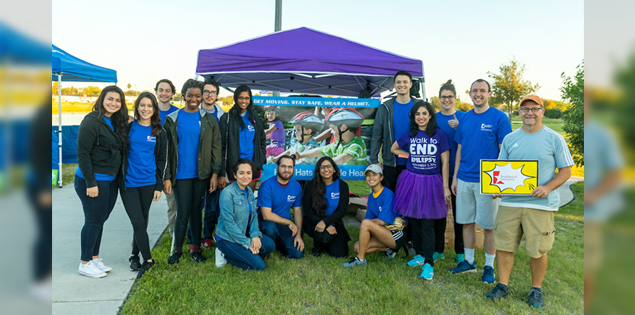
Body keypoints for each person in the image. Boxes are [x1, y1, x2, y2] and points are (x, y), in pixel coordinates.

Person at [485, 95, 573, 308]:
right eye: (525, 109)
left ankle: (536, 289)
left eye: (534, 108)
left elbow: (566, 170)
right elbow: (501, 171)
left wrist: (547, 187)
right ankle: (502, 285)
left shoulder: (554, 138)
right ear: (519, 113)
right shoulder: (510, 139)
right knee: (504, 246)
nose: (529, 113)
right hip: (510, 204)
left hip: (540, 204)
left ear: (542, 111)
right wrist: (497, 189)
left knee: (538, 249)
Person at [449, 79, 512, 284]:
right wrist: (455, 177)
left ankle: (489, 265)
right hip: (465, 178)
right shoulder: (465, 118)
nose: (478, 94)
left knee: (488, 225)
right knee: (466, 222)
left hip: (488, 179)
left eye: (482, 91)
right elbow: (459, 148)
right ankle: (468, 261)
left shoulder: (499, 118)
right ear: (469, 94)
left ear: (489, 94)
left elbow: (505, 150)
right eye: (475, 91)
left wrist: (500, 183)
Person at [163, 79, 221, 264]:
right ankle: (177, 250)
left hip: (201, 174)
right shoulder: (172, 119)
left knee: (197, 210)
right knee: (183, 211)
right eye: (190, 96)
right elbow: (166, 152)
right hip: (180, 175)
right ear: (183, 96)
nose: (194, 99)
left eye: (198, 95)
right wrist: (168, 177)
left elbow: (216, 149)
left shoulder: (209, 120)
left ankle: (195, 250)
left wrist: (214, 174)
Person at [390, 101, 450, 280]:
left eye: (424, 113)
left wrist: (445, 186)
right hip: (412, 181)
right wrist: (408, 155)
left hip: (432, 182)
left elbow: (445, 162)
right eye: (417, 114)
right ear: (413, 117)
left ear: (430, 115)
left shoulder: (439, 134)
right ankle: (421, 254)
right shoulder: (410, 133)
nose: (421, 117)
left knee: (427, 223)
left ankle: (429, 263)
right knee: (414, 220)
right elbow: (394, 148)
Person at [74, 86, 129, 278]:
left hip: (110, 181)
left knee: (100, 220)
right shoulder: (91, 122)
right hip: (92, 181)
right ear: (102, 99)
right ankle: (84, 262)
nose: (114, 103)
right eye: (110, 99)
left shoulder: (115, 121)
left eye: (118, 100)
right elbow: (82, 153)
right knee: (92, 220)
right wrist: (90, 182)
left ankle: (94, 257)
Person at [119, 92, 167, 278]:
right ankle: (148, 260)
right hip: (129, 183)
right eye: (142, 105)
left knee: (142, 221)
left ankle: (134, 256)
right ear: (137, 107)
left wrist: (158, 186)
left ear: (154, 109)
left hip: (148, 183)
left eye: (149, 106)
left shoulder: (159, 132)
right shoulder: (128, 128)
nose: (146, 109)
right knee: (137, 221)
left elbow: (162, 160)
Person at [187, 78, 226, 250]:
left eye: (213, 92)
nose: (209, 95)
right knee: (193, 206)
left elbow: (224, 147)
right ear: (201, 94)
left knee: (211, 207)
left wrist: (220, 172)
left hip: (214, 169)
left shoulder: (223, 116)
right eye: (206, 92)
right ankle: (192, 239)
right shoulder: (191, 112)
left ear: (217, 95)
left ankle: (207, 236)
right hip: (193, 168)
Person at [370, 71, 425, 192]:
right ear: (394, 85)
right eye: (398, 82)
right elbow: (376, 136)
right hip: (391, 163)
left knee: (412, 200)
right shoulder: (385, 108)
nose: (402, 85)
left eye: (405, 82)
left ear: (411, 84)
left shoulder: (421, 106)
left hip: (415, 161)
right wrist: (375, 161)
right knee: (391, 199)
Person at [216, 159, 275, 270]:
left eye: (248, 173)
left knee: (270, 245)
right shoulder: (227, 193)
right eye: (241, 173)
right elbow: (229, 224)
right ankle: (225, 255)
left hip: (244, 232)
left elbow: (253, 217)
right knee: (259, 266)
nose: (245, 176)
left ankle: (246, 253)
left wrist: (255, 236)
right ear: (235, 175)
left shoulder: (249, 191)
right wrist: (248, 243)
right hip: (227, 238)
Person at [343, 164, 406, 268]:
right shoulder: (371, 197)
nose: (371, 177)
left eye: (374, 174)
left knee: (366, 224)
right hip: (381, 232)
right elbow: (369, 220)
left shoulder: (388, 194)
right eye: (368, 175)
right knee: (357, 247)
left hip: (395, 234)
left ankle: (360, 260)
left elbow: (382, 221)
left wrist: (367, 225)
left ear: (381, 177)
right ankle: (388, 249)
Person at [434, 80, 466, 264]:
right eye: (443, 97)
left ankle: (460, 252)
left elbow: (470, 141)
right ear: (439, 98)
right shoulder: (434, 118)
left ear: (455, 98)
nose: (447, 100)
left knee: (459, 213)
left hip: (459, 172)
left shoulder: (464, 117)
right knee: (439, 213)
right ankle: (438, 250)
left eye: (450, 97)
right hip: (438, 172)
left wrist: (459, 126)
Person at [219, 85, 266, 191]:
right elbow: (221, 147)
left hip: (252, 167)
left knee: (248, 201)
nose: (244, 101)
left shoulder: (254, 118)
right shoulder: (226, 119)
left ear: (250, 99)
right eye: (241, 97)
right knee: (233, 203)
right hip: (233, 168)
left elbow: (262, 141)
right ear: (235, 98)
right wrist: (221, 173)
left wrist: (260, 159)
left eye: (247, 98)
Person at [257, 156, 304, 259]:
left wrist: (298, 235)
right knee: (270, 229)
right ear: (277, 168)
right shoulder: (266, 185)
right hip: (266, 223)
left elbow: (297, 212)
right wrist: (289, 223)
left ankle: (278, 244)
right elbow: (266, 215)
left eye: (289, 167)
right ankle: (265, 249)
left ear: (293, 169)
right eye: (283, 166)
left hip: (284, 223)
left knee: (297, 254)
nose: (286, 170)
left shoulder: (296, 186)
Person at [302, 157, 350, 257]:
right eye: (322, 167)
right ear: (318, 170)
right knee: (324, 237)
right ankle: (317, 247)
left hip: (334, 222)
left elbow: (341, 211)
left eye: (329, 166)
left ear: (334, 169)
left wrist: (326, 222)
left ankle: (327, 244)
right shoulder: (311, 186)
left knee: (340, 254)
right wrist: (324, 224)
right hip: (314, 222)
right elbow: (307, 211)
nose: (326, 169)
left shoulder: (342, 186)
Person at [293, 108, 366, 165]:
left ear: (343, 128)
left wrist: (324, 165)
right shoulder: (338, 144)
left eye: (333, 128)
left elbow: (343, 159)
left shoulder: (357, 144)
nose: (331, 132)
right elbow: (317, 151)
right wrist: (299, 155)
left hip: (355, 184)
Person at [154, 79, 179, 239]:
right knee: (142, 205)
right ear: (156, 91)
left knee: (173, 204)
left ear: (172, 93)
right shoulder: (148, 111)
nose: (164, 93)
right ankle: (138, 237)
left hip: (171, 165)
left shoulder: (177, 114)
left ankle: (174, 236)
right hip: (150, 164)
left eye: (167, 90)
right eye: (161, 90)